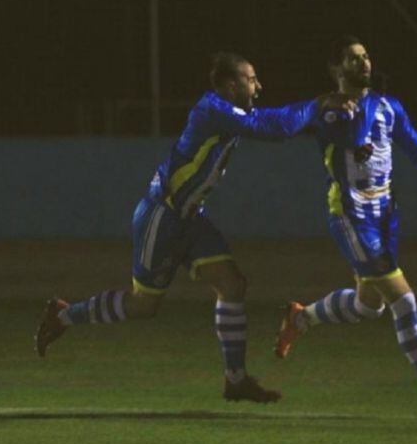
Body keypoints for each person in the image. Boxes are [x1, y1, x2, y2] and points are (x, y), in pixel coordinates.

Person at [35, 51, 350, 404]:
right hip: (163, 215)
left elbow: (274, 118)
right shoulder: (212, 109)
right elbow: (274, 128)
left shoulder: (233, 113)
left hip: (190, 217)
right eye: (251, 79)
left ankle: (236, 380)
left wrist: (316, 109)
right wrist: (320, 103)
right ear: (231, 86)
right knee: (143, 306)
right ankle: (64, 315)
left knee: (232, 284)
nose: (258, 86)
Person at [274, 36, 417, 417]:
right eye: (353, 59)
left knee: (368, 306)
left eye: (366, 56)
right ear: (336, 70)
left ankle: (300, 318)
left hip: (386, 211)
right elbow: (347, 137)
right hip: (352, 212)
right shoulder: (330, 112)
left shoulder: (389, 106)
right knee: (403, 299)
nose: (364, 63)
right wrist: (362, 114)